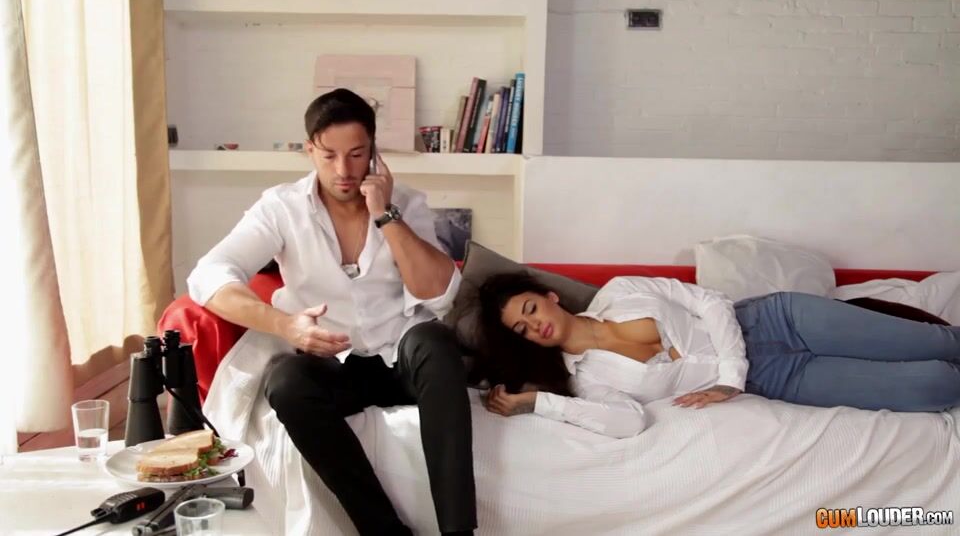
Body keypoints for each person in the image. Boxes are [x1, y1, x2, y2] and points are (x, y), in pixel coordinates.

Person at [187, 88, 476, 536]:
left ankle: (459, 533)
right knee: (286, 383)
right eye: (329, 155)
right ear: (309, 150)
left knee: (435, 342)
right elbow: (208, 275)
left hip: (402, 359)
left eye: (357, 154)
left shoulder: (407, 204)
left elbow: (439, 294)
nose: (343, 170)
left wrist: (387, 216)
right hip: (333, 363)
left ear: (374, 152)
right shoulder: (281, 208)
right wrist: (285, 325)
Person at [475, 272, 960, 439]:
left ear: (549, 296)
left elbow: (708, 300)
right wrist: (537, 403)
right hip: (777, 377)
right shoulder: (586, 383)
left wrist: (729, 377)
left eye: (530, 309)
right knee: (936, 386)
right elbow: (627, 422)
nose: (534, 325)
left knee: (938, 343)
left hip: (774, 320)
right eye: (522, 329)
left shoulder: (619, 290)